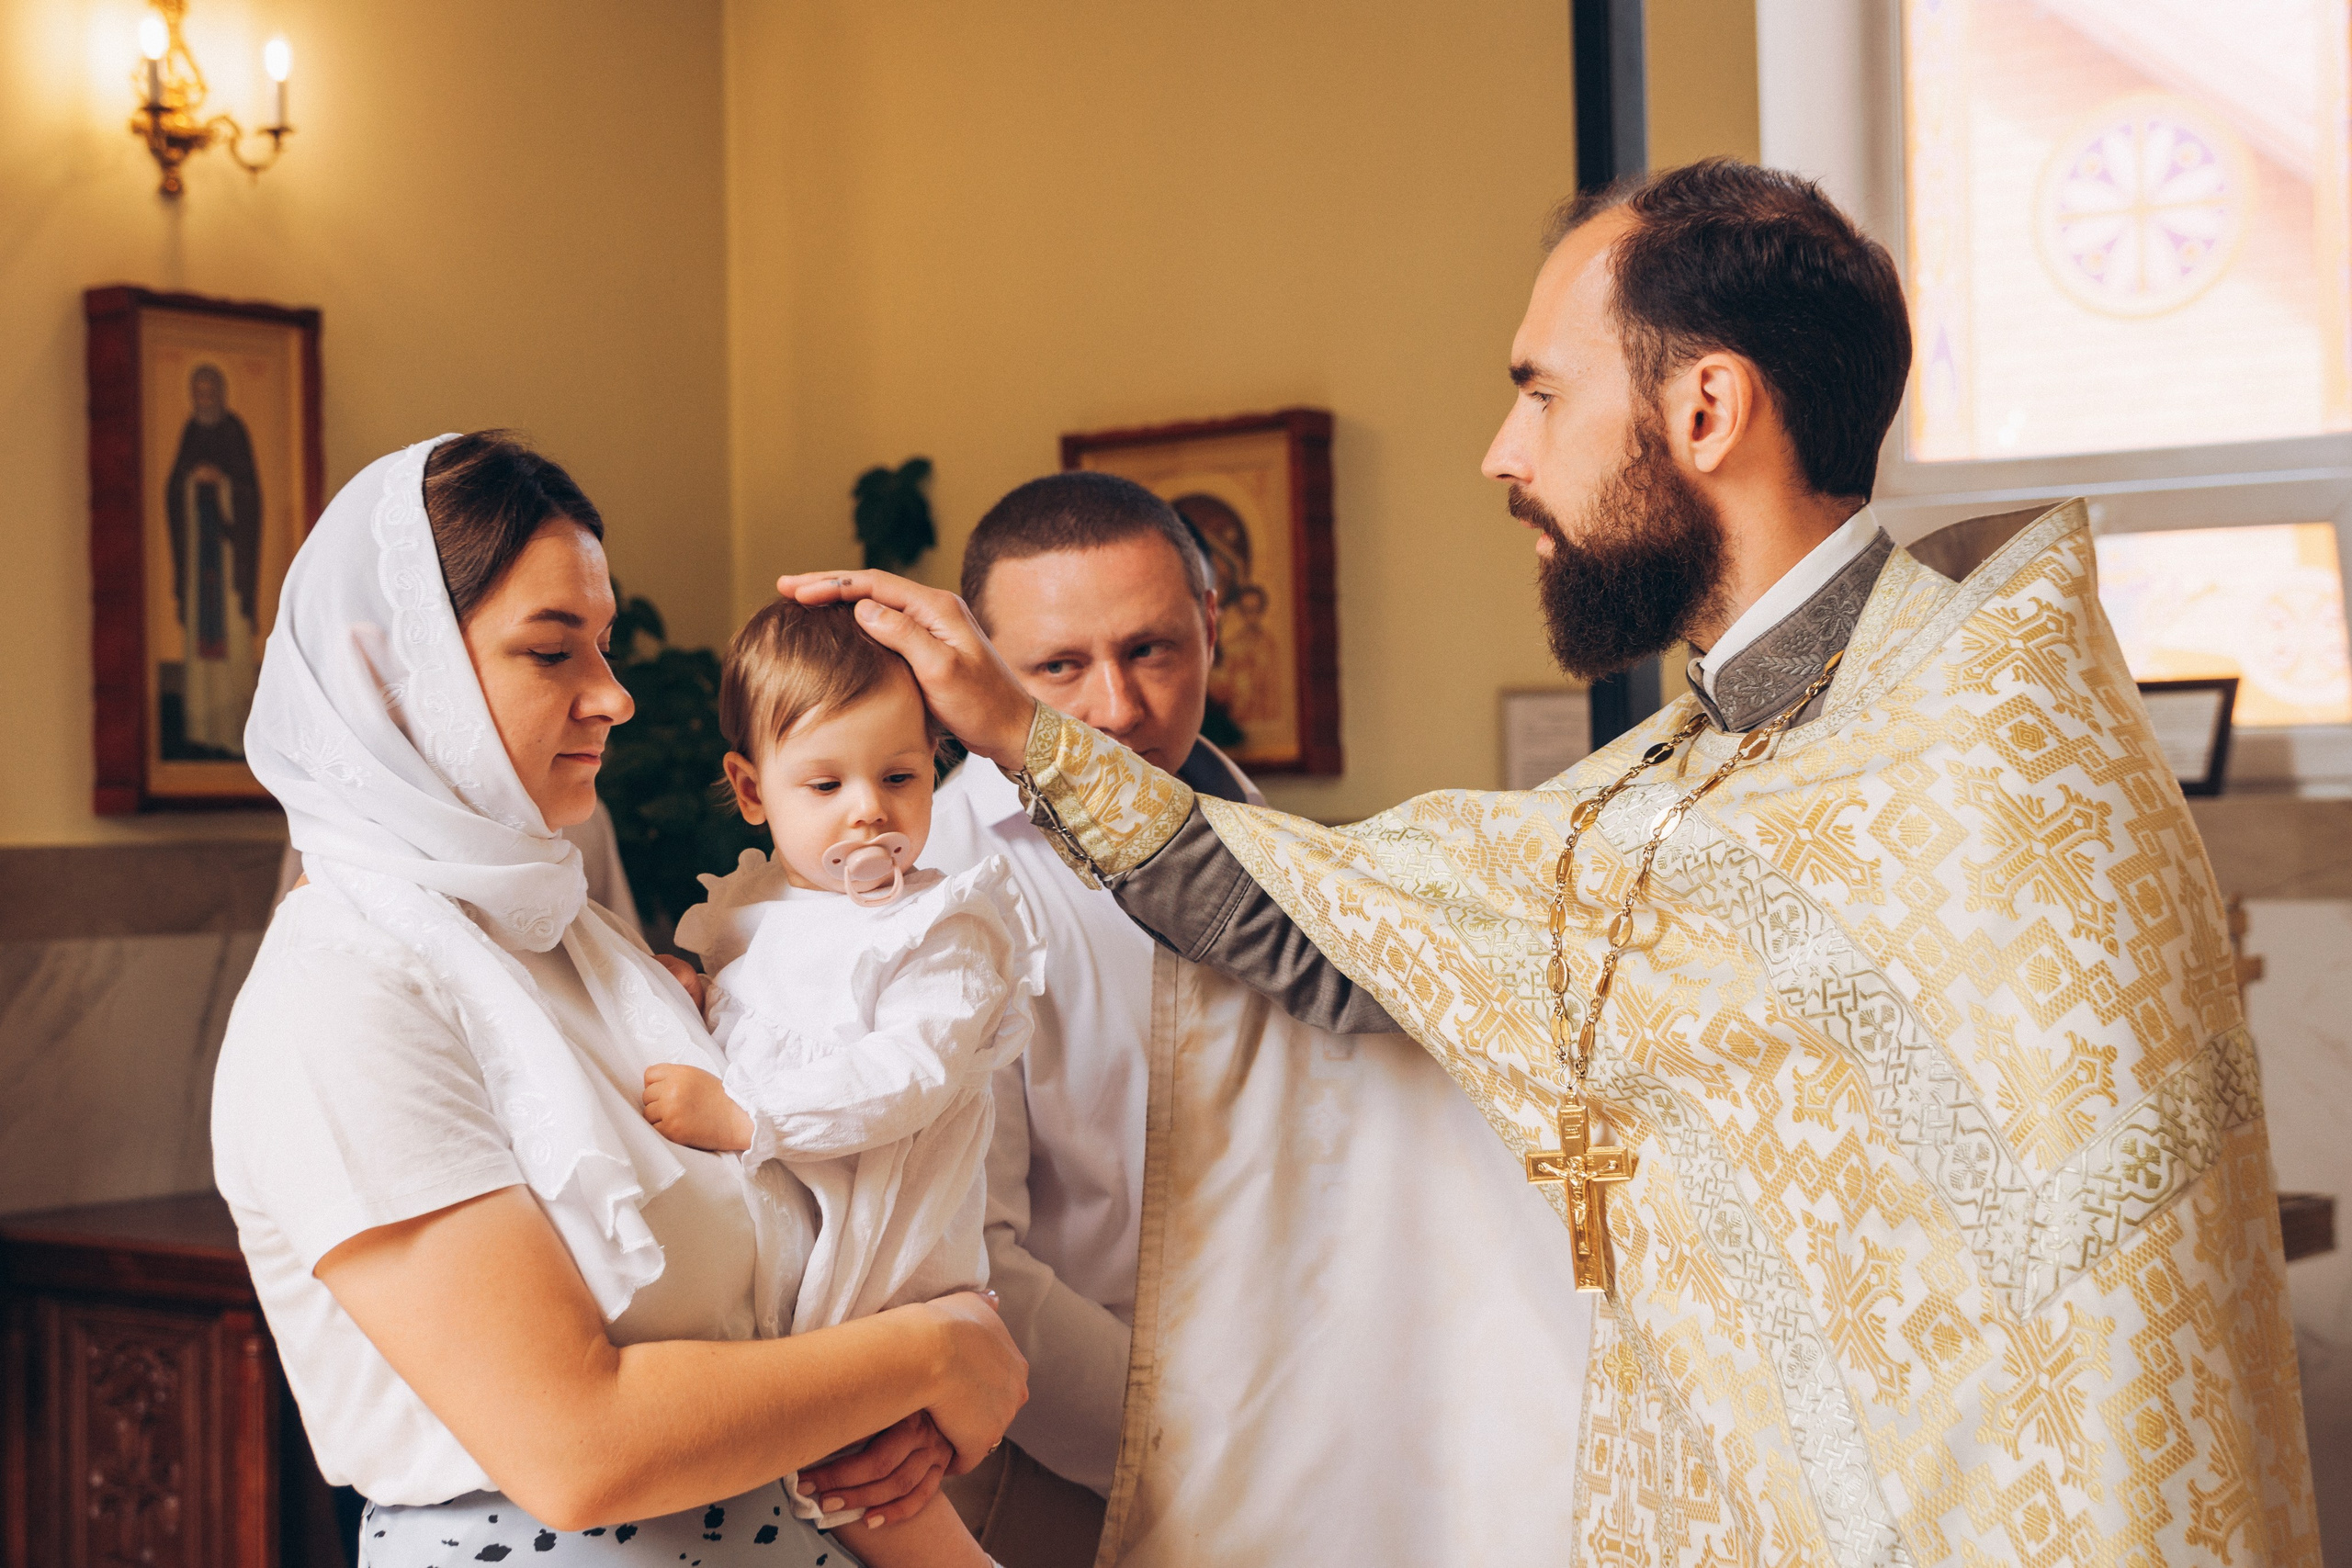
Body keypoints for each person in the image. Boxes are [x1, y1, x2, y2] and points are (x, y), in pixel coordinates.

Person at [782, 161, 2321, 1565]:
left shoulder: (1971, 765)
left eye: (1543, 392)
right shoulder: (1745, 754)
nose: (1503, 452)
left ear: (1704, 412)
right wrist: (1009, 733)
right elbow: (1349, 942)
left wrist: (1027, 731)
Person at [213, 431, 1026, 1568]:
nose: (614, 695)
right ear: (391, 673)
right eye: (553, 652)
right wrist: (938, 1352)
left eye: (602, 642)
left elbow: (786, 1334)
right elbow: (577, 1447)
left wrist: (910, 1411)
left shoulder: (589, 951)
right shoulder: (344, 992)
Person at [918, 470, 1599, 1566]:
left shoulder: (1290, 851)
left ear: (1214, 626)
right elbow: (974, 1271)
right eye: (1058, 667)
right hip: (1073, 1479)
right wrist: (1208, 1447)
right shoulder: (941, 890)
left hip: (1324, 1466)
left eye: (1150, 649)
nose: (1116, 709)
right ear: (981, 671)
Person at [642, 601, 1046, 1567]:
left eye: (899, 776)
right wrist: (683, 986)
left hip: (890, 1257)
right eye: (824, 782)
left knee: (871, 1488)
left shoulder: (941, 928)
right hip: (791, 1243)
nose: (867, 807)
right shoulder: (742, 909)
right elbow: (727, 1005)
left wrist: (751, 1117)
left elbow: (906, 1076)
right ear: (750, 789)